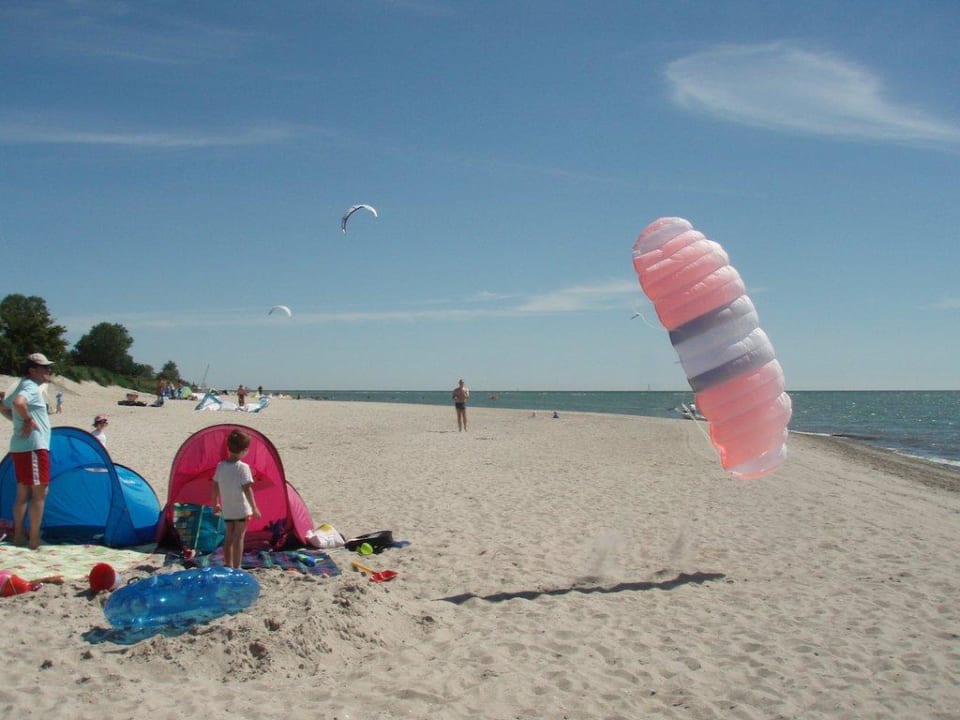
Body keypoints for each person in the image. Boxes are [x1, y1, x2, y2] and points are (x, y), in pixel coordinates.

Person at [0, 353, 55, 550]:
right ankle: (33, 540)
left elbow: (4, 406)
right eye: (44, 368)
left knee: (22, 492)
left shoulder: (22, 385)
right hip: (33, 446)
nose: (48, 371)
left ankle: (19, 537)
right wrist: (28, 420)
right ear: (33, 370)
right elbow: (18, 404)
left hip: (21, 446)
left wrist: (20, 421)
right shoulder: (30, 387)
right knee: (40, 493)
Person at [211, 429, 261, 569]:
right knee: (239, 537)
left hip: (227, 509)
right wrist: (254, 508)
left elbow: (214, 485)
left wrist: (215, 503)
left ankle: (228, 564)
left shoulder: (221, 466)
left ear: (228, 448)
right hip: (241, 509)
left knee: (229, 537)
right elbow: (247, 489)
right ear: (245, 450)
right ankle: (237, 567)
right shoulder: (243, 467)